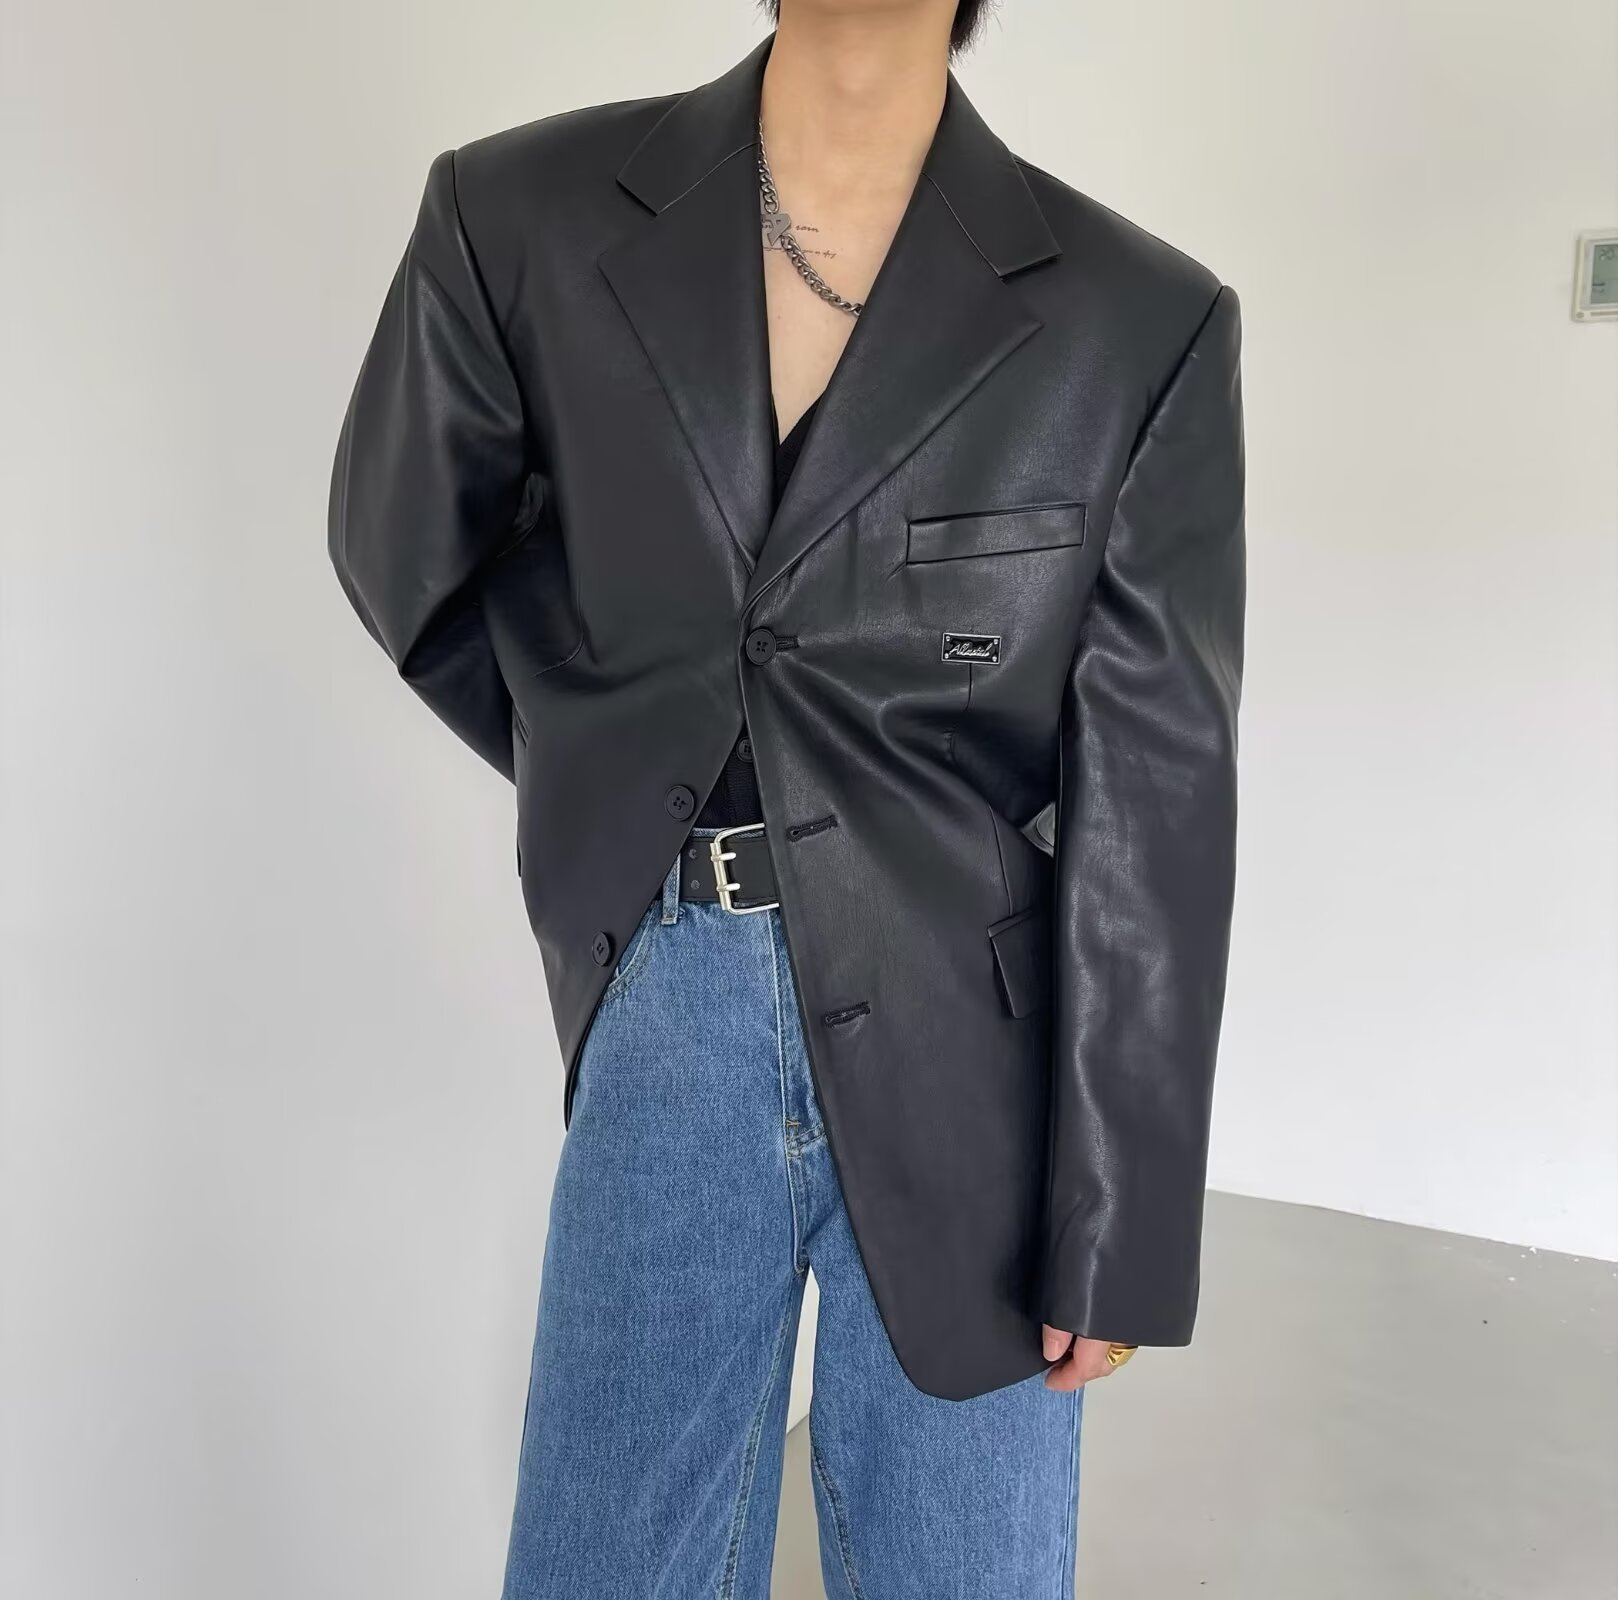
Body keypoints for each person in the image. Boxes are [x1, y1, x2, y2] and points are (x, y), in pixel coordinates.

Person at [327, 0, 1245, 1593]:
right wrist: (628, 780)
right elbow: (411, 561)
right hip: (669, 1005)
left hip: (976, 1054)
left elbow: (1153, 798)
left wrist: (1118, 1223)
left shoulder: (1136, 321)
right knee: (609, 1568)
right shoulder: (516, 218)